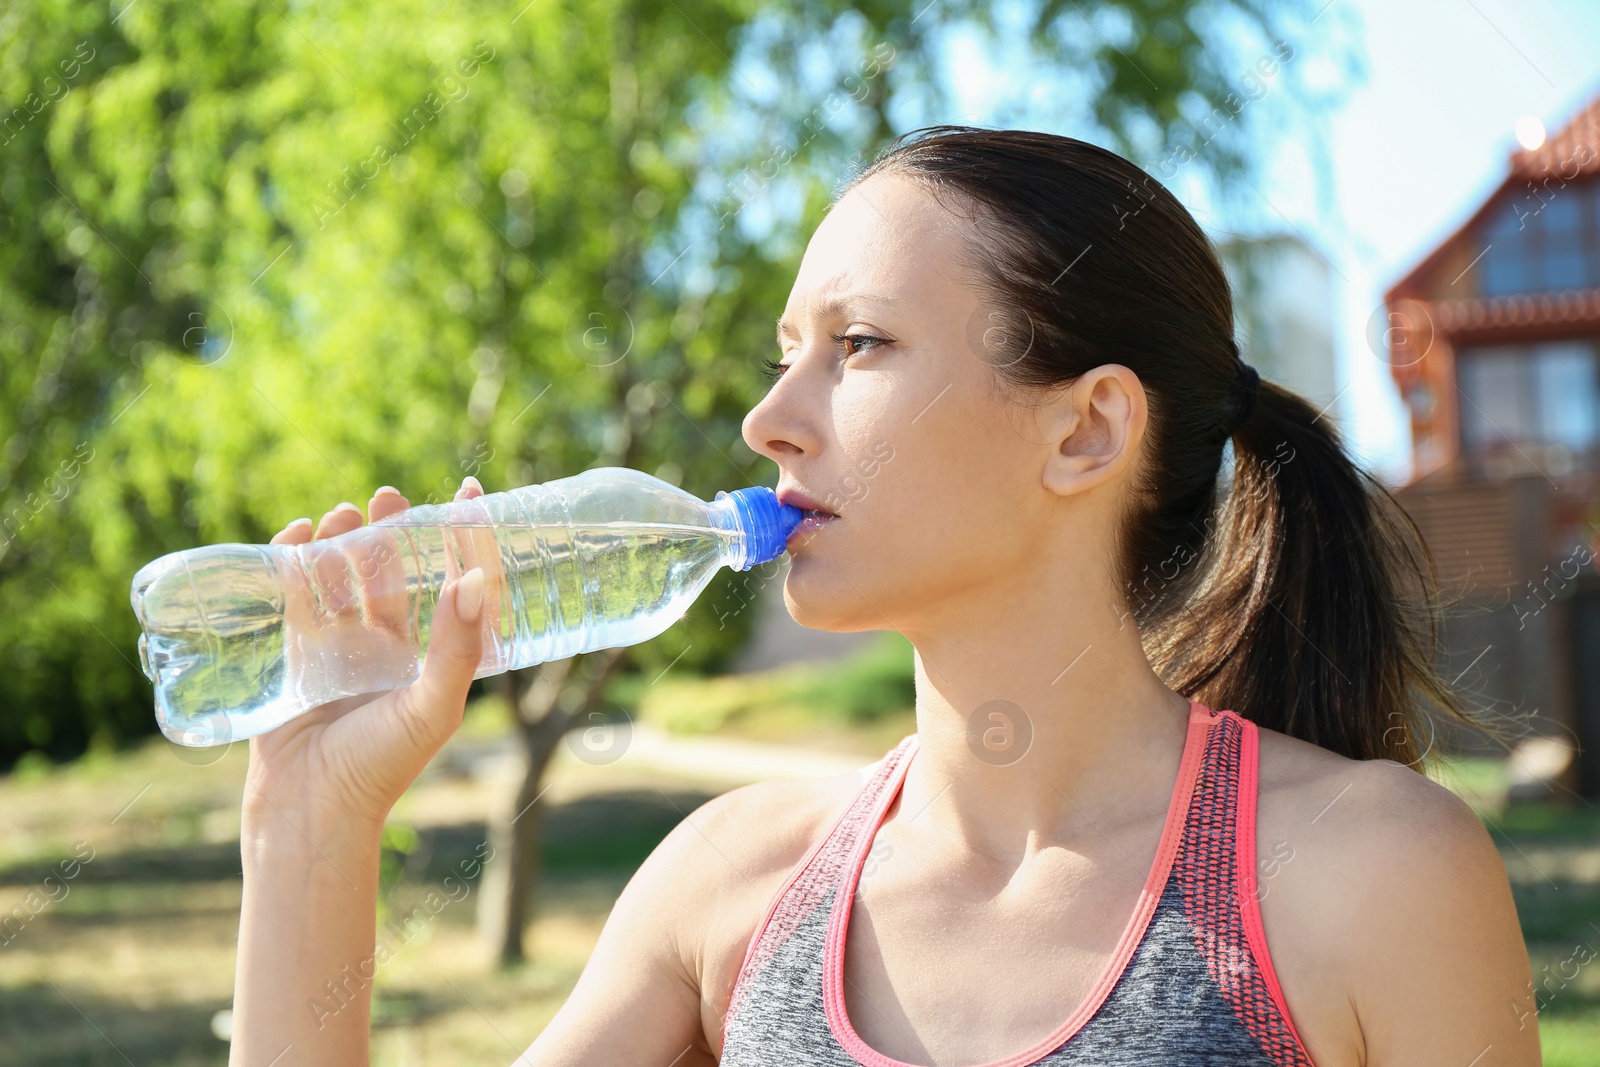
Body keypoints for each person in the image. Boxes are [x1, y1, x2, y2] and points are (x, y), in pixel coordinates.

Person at [229, 127, 1539, 1066]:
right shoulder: (732, 886)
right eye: (784, 354)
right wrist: (314, 823)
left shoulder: (1370, 876)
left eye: (856, 346)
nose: (768, 421)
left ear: (1086, 432)